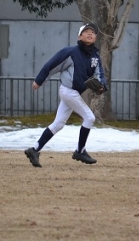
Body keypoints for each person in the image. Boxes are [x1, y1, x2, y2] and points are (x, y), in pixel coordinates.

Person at [24, 22, 108, 168]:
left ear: (95, 37)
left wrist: (101, 87)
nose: (90, 34)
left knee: (58, 124)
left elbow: (99, 74)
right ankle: (80, 151)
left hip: (73, 93)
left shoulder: (95, 56)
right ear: (79, 36)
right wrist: (39, 79)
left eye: (93, 32)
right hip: (68, 91)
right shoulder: (71, 52)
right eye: (86, 31)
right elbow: (51, 64)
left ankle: (34, 149)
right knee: (89, 118)